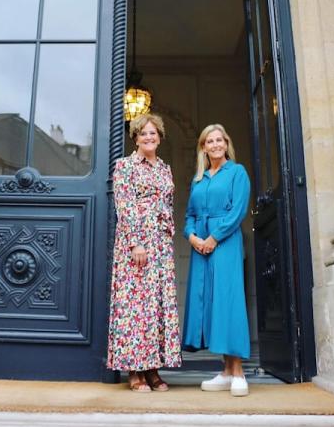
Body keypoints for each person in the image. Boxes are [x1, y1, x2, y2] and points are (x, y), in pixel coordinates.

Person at [106, 113, 182, 392]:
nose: (149, 138)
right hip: (136, 243)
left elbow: (168, 204)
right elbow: (124, 206)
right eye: (143, 134)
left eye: (153, 133)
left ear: (159, 137)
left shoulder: (165, 168)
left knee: (156, 305)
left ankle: (152, 368)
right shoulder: (125, 166)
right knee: (135, 305)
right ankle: (134, 370)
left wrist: (167, 234)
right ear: (135, 137)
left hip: (161, 243)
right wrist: (136, 242)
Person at [181, 124, 252, 397]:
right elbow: (188, 214)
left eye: (219, 140)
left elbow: (238, 211)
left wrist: (214, 237)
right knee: (210, 304)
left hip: (225, 243)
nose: (215, 145)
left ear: (226, 143)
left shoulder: (237, 172)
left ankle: (238, 372)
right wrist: (192, 237)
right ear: (203, 147)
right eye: (209, 141)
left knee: (228, 301)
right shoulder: (198, 179)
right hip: (200, 245)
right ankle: (225, 371)